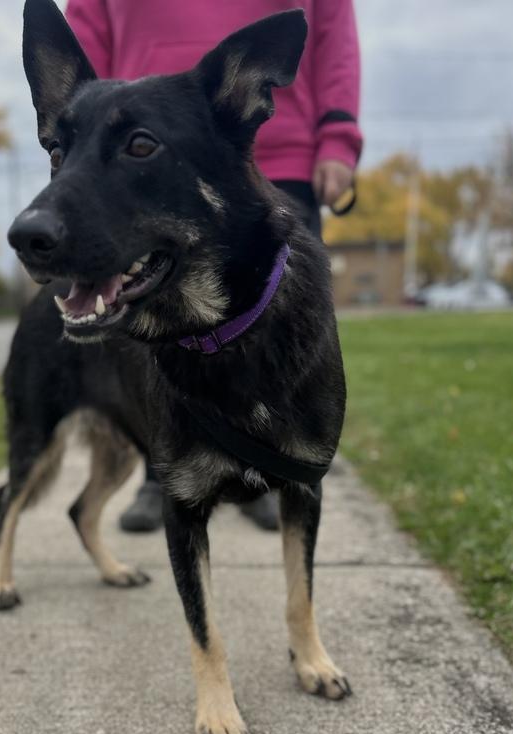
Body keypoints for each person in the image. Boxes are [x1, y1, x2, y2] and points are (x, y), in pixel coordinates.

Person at [65, 0, 362, 532]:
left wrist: (337, 133)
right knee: (162, 323)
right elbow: (85, 23)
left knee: (282, 337)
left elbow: (332, 23)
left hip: (279, 142)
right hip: (141, 158)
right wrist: (87, 135)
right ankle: (169, 473)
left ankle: (268, 470)